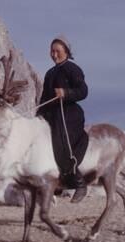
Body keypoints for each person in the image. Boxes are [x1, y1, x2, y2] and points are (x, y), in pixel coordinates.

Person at [37, 37, 89, 203]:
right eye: (52, 51)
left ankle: (79, 183)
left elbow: (83, 91)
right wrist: (37, 117)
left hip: (69, 115)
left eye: (57, 51)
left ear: (66, 52)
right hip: (52, 115)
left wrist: (66, 93)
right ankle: (56, 182)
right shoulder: (50, 73)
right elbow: (44, 98)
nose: (54, 54)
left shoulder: (73, 69)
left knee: (61, 143)